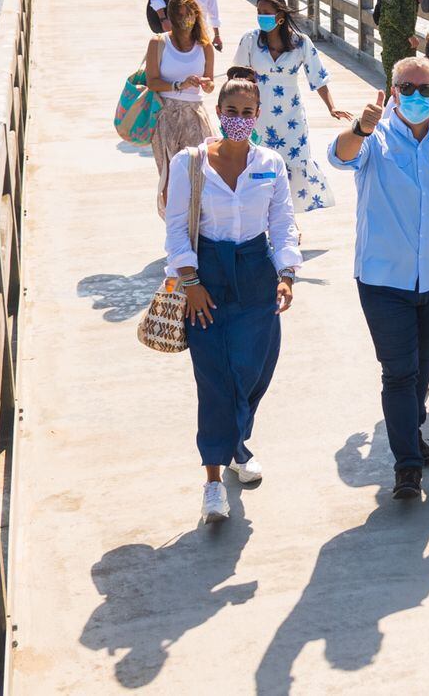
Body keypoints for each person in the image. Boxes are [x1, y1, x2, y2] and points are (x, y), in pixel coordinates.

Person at [329, 56, 429, 500]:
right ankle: (407, 465)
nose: (417, 96)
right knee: (398, 373)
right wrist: (359, 127)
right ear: (393, 91)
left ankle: (410, 430)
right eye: (407, 88)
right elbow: (339, 157)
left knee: (421, 370)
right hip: (382, 281)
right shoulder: (372, 140)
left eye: (425, 90)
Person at [165, 71, 301, 523]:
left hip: (256, 273)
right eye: (231, 111)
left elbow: (281, 222)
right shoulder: (190, 163)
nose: (239, 119)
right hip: (208, 276)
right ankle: (212, 482)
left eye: (247, 112)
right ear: (218, 114)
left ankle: (239, 445)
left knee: (253, 371)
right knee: (214, 380)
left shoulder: (271, 163)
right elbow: (176, 229)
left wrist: (287, 273)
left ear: (257, 116)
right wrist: (190, 283)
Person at [232, 0, 351, 213]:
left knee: (293, 166)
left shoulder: (301, 43)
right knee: (260, 167)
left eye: (266, 12)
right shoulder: (250, 40)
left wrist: (332, 107)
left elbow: (318, 77)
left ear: (280, 15)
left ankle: (287, 220)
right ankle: (261, 219)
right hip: (258, 115)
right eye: (258, 12)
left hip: (291, 117)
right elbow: (237, 77)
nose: (261, 17)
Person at [145, 0, 216, 217]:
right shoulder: (159, 42)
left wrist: (206, 85)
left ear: (196, 15)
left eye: (189, 14)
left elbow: (211, 84)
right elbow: (152, 82)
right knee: (169, 175)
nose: (185, 19)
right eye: (179, 15)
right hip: (166, 115)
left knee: (201, 172)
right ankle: (174, 227)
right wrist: (179, 85)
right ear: (172, 17)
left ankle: (197, 224)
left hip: (195, 114)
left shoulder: (205, 47)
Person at [375, 0, 420, 89]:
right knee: (394, 83)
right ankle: (389, 112)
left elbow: (409, 7)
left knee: (409, 82)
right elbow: (390, 14)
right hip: (393, 39)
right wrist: (409, 35)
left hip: (407, 39)